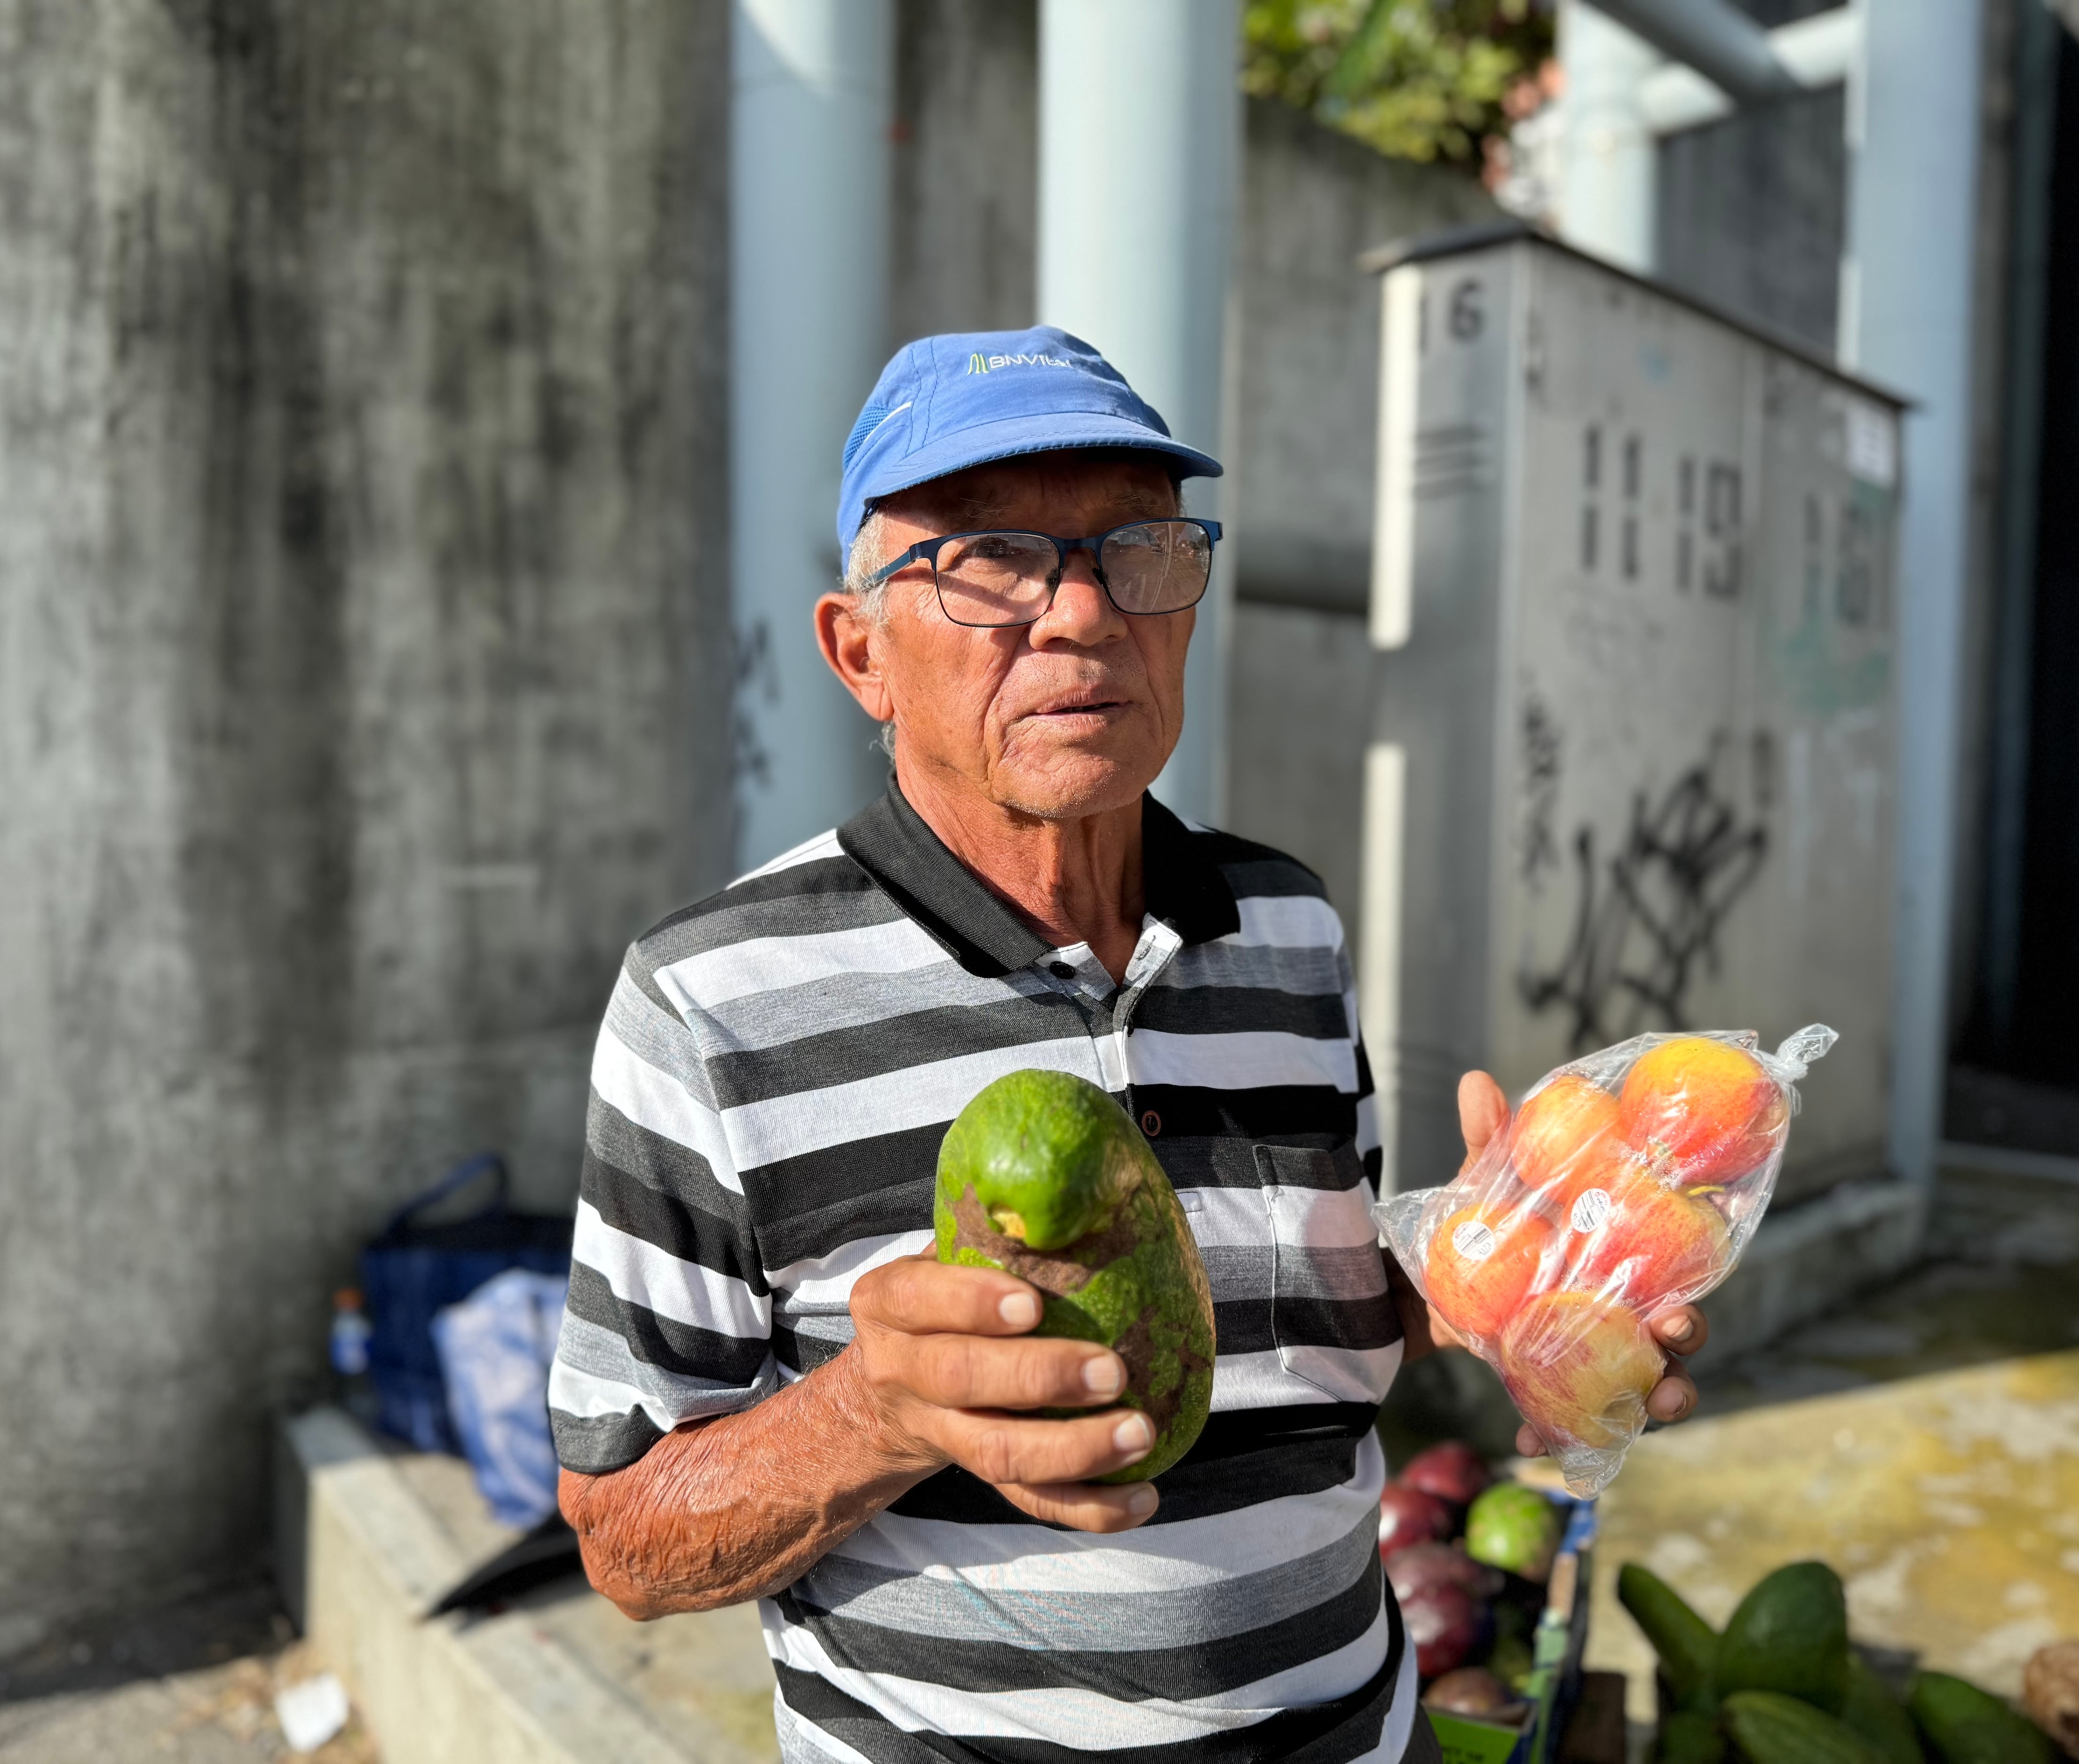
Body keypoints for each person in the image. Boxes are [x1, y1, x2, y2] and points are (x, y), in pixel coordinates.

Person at [549, 326, 1709, 1764]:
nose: (1085, 615)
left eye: (1139, 550)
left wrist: (1499, 1286)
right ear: (863, 656)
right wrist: (877, 1409)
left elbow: (1320, 1339)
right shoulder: (711, 998)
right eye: (990, 561)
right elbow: (626, 1535)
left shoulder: (1290, 925)